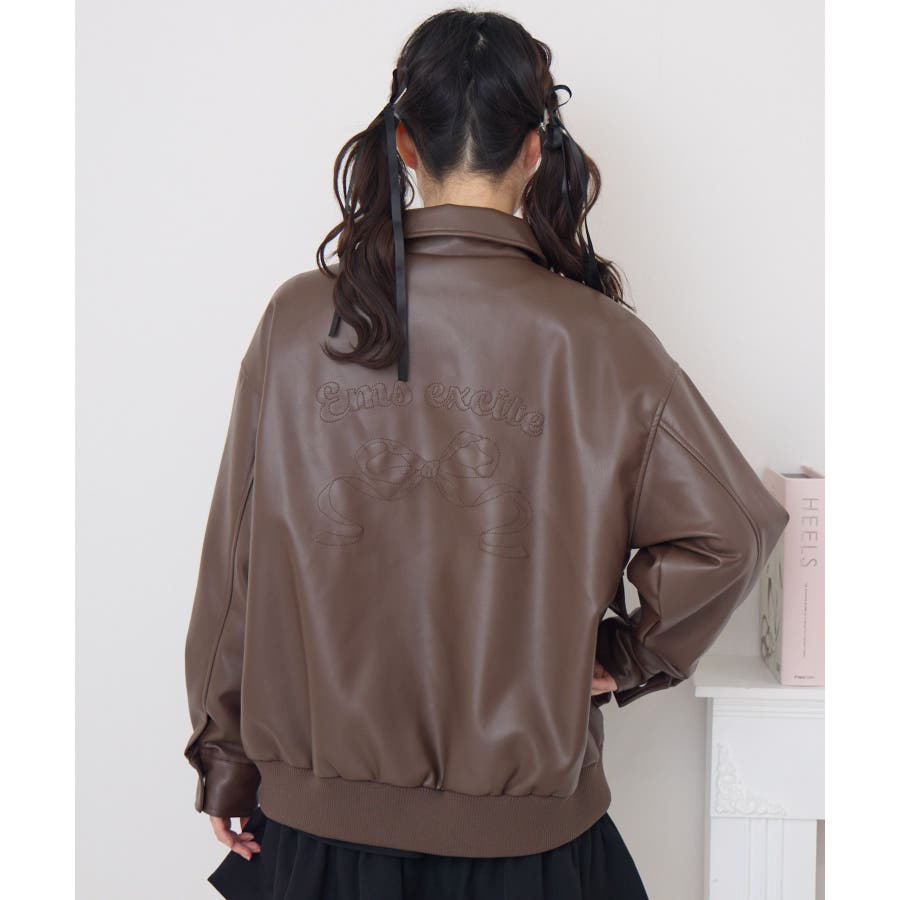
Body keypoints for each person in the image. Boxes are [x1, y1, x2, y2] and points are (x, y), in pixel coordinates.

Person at [182, 8, 791, 899]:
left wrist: (225, 761)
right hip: (530, 851)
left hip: (321, 841)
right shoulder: (603, 341)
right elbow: (732, 532)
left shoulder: (297, 322)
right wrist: (629, 655)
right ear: (535, 151)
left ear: (404, 143)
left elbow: (235, 573)